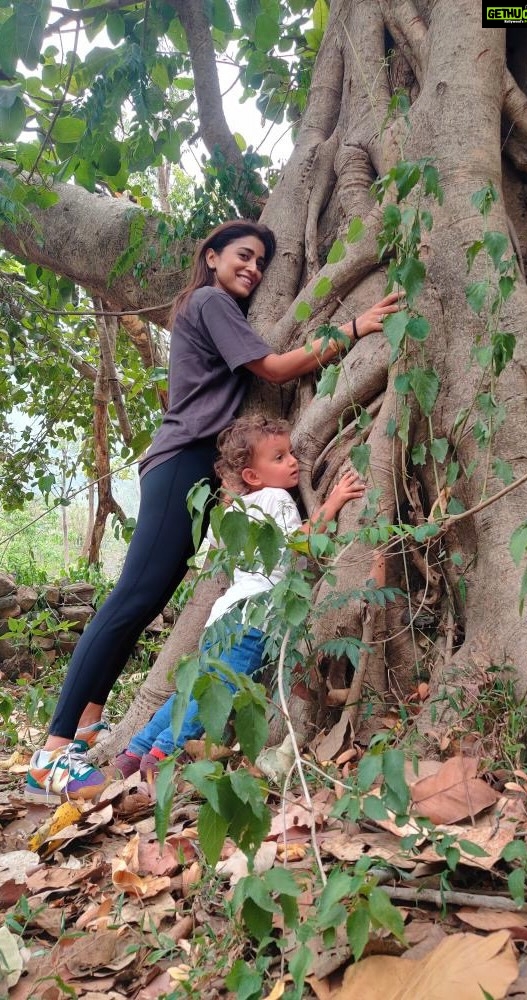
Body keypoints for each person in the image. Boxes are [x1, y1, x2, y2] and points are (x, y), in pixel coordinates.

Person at [25, 218, 401, 804]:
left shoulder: (212, 308)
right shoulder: (210, 300)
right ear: (212, 256)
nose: (251, 269)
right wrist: (354, 327)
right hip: (181, 464)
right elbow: (274, 369)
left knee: (143, 600)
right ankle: (50, 752)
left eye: (259, 263)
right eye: (243, 256)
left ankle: (87, 728)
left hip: (194, 469)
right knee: (131, 599)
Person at [112, 414, 366, 780]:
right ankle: (161, 756)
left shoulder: (233, 510)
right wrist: (336, 501)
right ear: (252, 476)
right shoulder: (277, 497)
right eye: (279, 458)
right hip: (253, 620)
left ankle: (134, 752)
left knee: (194, 688)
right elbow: (298, 544)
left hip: (223, 617)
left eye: (290, 453)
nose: (293, 461)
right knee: (219, 690)